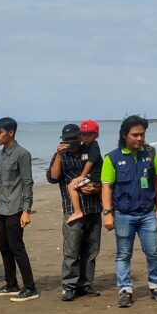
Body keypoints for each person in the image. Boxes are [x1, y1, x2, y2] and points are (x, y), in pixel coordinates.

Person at [101, 115, 157, 307]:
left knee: (153, 252)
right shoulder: (112, 158)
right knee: (123, 254)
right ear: (124, 135)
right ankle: (125, 290)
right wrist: (107, 213)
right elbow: (107, 187)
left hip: (148, 212)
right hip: (123, 214)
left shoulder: (150, 153)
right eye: (135, 135)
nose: (139, 138)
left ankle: (156, 286)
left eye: (142, 134)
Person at [0, 117, 38, 301]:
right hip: (2, 208)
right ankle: (11, 284)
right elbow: (4, 182)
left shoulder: (22, 154)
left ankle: (30, 288)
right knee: (4, 247)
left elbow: (27, 182)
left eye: (0, 132)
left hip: (16, 208)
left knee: (17, 248)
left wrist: (26, 210)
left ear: (11, 132)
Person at [48, 123, 103, 300]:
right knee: (71, 251)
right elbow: (53, 177)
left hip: (93, 208)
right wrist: (59, 155)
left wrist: (97, 188)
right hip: (72, 210)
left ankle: (85, 284)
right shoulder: (60, 156)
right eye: (67, 140)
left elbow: (103, 175)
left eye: (73, 139)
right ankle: (69, 286)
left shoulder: (91, 151)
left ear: (80, 137)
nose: (70, 143)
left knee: (91, 250)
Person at [63, 120, 102, 225]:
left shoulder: (94, 146)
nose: (86, 137)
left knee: (71, 186)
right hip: (91, 176)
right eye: (83, 134)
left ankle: (77, 211)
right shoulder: (84, 146)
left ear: (96, 135)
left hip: (94, 176)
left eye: (90, 134)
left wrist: (82, 176)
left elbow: (90, 162)